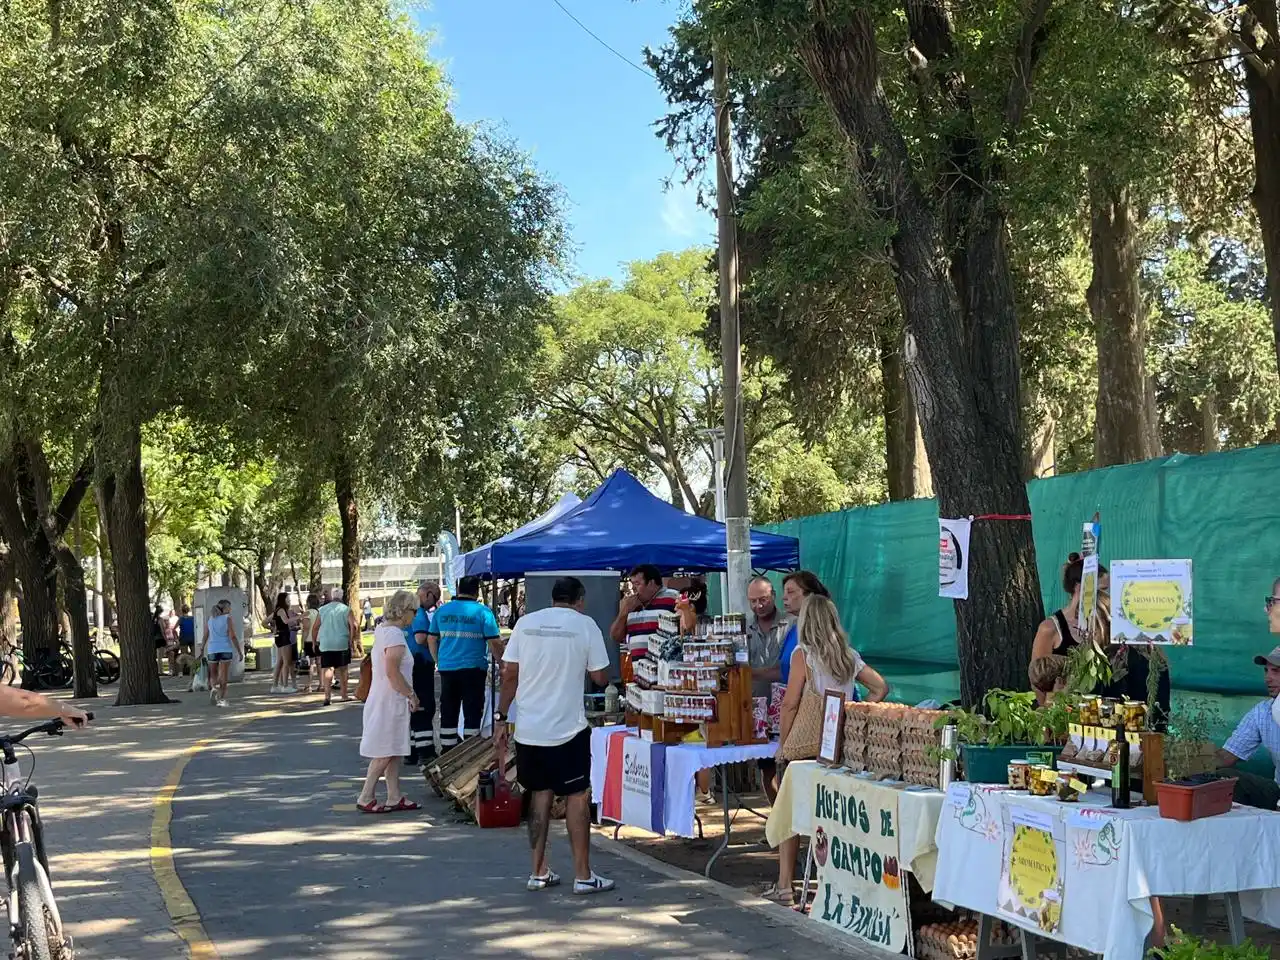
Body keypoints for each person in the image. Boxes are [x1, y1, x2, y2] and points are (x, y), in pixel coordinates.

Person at [765, 594, 890, 906]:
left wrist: (783, 744)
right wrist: (853, 713)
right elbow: (880, 687)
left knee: (790, 812)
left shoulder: (803, 655)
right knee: (831, 817)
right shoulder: (848, 656)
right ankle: (830, 886)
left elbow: (790, 703)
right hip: (838, 746)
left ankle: (785, 885)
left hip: (803, 747)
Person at [495, 576, 615, 895]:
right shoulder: (585, 625)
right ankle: (583, 875)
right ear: (580, 600)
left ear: (552, 599)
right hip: (569, 728)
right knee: (577, 796)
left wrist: (501, 717)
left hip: (530, 728)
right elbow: (600, 676)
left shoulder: (525, 623)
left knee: (538, 794)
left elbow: (509, 674)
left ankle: (538, 872)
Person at [1215, 581, 1280, 809]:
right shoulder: (1263, 712)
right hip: (1277, 792)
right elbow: (1226, 757)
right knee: (1224, 777)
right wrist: (1185, 759)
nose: (1268, 678)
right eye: (1266, 671)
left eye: (1276, 671)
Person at [357, 589, 421, 814]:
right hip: (391, 699)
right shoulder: (395, 635)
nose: (415, 616)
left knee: (394, 748)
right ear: (404, 611)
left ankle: (394, 795)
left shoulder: (383, 630)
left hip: (385, 696)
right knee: (385, 749)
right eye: (414, 611)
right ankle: (366, 795)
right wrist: (411, 694)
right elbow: (393, 671)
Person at [428, 576, 503, 752]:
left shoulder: (442, 611)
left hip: (448, 668)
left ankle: (447, 751)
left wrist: (438, 660)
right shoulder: (483, 613)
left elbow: (431, 639)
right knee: (472, 710)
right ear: (476, 592)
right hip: (473, 669)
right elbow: (494, 643)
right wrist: (503, 663)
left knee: (449, 710)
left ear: (458, 589)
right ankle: (470, 750)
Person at [745, 576, 793, 803]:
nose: (758, 605)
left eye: (763, 599)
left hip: (789, 707)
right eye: (753, 601)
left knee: (792, 768)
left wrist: (753, 673)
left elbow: (788, 667)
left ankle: (792, 819)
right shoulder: (744, 628)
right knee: (768, 771)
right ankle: (776, 818)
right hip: (759, 710)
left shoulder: (792, 625)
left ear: (773, 596)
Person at [609, 564, 679, 669]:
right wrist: (623, 613)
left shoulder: (673, 597)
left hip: (666, 671)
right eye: (632, 584)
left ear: (651, 583)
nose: (633, 588)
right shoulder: (630, 605)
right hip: (639, 671)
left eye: (637, 584)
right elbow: (616, 637)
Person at [406, 580, 441, 768]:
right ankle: (425, 751)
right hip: (420, 663)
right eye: (435, 598)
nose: (435, 603)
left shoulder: (407, 610)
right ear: (427, 594)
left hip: (410, 663)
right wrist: (436, 638)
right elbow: (421, 638)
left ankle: (411, 750)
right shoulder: (419, 613)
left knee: (413, 708)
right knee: (424, 706)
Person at [776, 571, 831, 688]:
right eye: (784, 592)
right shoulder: (793, 631)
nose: (784, 597)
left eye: (790, 592)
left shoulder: (825, 632)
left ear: (810, 595)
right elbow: (783, 670)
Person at [311, 587, 359, 706]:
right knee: (343, 669)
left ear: (332, 596)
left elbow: (315, 627)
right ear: (341, 597)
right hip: (341, 642)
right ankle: (344, 695)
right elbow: (354, 625)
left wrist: (314, 641)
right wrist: (351, 639)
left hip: (326, 643)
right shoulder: (346, 609)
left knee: (327, 669)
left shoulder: (322, 609)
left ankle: (327, 696)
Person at [200, 599, 241, 708]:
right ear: (225, 608)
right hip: (225, 649)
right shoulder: (228, 618)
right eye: (229, 607)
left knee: (213, 673)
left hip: (212, 649)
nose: (230, 609)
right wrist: (239, 651)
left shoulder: (210, 619)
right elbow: (232, 636)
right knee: (224, 675)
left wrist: (202, 648)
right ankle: (221, 699)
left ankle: (214, 688)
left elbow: (205, 635)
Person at [269, 592, 296, 694]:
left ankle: (275, 685)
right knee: (286, 662)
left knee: (280, 662)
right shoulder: (281, 610)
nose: (289, 601)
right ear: (283, 600)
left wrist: (273, 629)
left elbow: (268, 622)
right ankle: (285, 686)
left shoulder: (277, 610)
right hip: (284, 637)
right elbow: (286, 621)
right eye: (287, 599)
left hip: (280, 636)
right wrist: (301, 616)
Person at [301, 593, 322, 693]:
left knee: (310, 664)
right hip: (319, 640)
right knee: (319, 663)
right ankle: (321, 684)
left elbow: (306, 628)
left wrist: (302, 641)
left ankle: (308, 685)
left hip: (309, 640)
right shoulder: (320, 613)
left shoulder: (307, 613)